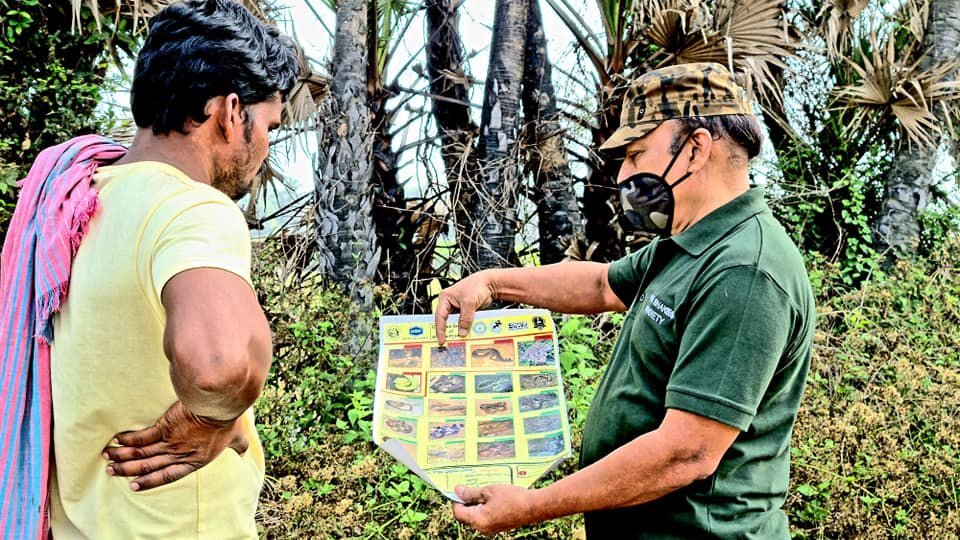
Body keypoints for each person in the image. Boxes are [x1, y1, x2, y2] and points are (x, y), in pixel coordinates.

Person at [434, 63, 816, 538]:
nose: (623, 173)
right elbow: (599, 286)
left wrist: (531, 506)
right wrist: (491, 284)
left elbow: (688, 452)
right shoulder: (693, 245)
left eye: (636, 154)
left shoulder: (745, 271)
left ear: (696, 149)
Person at [8, 1, 297, 537]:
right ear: (232, 113)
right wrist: (212, 416)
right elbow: (218, 364)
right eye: (269, 125)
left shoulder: (77, 197)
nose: (265, 147)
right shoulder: (191, 210)